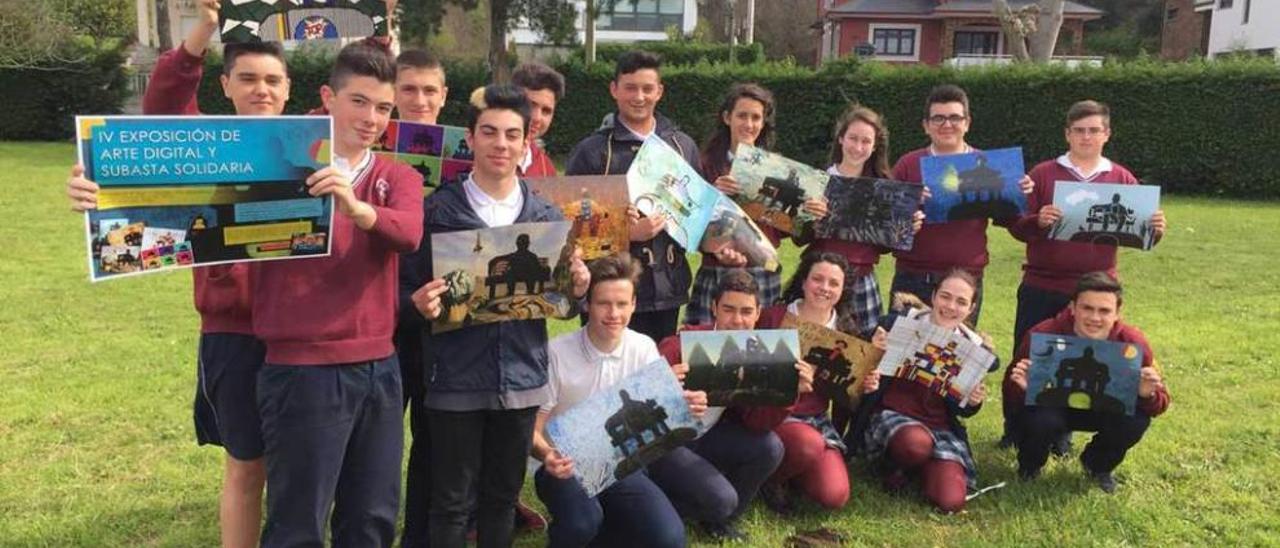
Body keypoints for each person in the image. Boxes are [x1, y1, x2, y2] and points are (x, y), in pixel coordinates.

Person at [65, 1, 288, 544]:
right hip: (233, 335)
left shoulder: (311, 151)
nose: (262, 89)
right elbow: (163, 101)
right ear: (226, 85)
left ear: (288, 89)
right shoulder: (199, 145)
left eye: (273, 80)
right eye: (249, 79)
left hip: (303, 335)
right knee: (246, 464)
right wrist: (205, 26)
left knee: (303, 466)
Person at [249, 41, 424, 546]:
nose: (371, 118)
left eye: (384, 107)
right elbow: (179, 197)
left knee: (372, 518)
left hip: (379, 367)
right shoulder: (276, 168)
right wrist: (103, 194)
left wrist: (355, 206)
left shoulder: (397, 176)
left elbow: (408, 233)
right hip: (302, 368)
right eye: (359, 101)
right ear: (328, 97)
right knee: (298, 520)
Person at [401, 84, 590, 548]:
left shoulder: (545, 215)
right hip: (454, 380)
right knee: (450, 502)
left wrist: (578, 288)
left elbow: (562, 304)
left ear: (527, 143)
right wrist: (416, 303)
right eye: (489, 132)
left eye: (512, 134)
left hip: (522, 377)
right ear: (470, 138)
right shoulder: (437, 211)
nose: (500, 144)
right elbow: (404, 287)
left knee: (501, 499)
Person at [1001, 100, 1168, 450]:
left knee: (1083, 362)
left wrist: (1156, 228)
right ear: (1067, 134)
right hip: (1042, 283)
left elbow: (1141, 232)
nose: (1086, 137)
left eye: (1094, 130)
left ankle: (1061, 433)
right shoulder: (1044, 173)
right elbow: (1016, 224)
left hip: (1095, 293)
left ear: (1106, 134)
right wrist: (1037, 221)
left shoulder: (1121, 177)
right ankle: (1017, 428)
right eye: (1079, 130)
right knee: (1028, 358)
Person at [531, 253, 700, 548]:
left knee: (670, 539)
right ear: (587, 304)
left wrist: (682, 404)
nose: (614, 313)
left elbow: (657, 414)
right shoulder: (556, 353)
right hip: (565, 467)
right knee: (582, 524)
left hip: (621, 464)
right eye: (604, 303)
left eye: (622, 304)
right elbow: (531, 429)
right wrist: (548, 455)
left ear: (634, 304)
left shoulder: (643, 346)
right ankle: (569, 532)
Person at [648, 269, 802, 541]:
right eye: (729, 309)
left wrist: (788, 393)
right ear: (714, 308)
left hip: (709, 436)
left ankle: (721, 521)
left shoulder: (758, 352)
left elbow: (757, 423)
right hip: (668, 443)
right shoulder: (680, 345)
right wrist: (666, 385)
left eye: (746, 312)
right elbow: (644, 405)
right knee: (721, 499)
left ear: (758, 314)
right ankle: (666, 504)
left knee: (771, 447)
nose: (737, 320)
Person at [565, 50, 700, 343]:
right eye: (630, 87)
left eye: (647, 88)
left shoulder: (683, 146)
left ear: (660, 92)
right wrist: (625, 233)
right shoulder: (592, 151)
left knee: (655, 376)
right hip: (608, 289)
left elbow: (696, 211)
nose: (639, 96)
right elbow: (571, 227)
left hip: (667, 289)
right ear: (614, 90)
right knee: (606, 380)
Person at [849, 269, 997, 513]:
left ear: (970, 309)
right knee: (914, 444)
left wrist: (973, 401)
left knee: (951, 501)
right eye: (945, 297)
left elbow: (965, 409)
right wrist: (873, 350)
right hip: (894, 416)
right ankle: (893, 464)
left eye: (961, 302)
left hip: (940, 426)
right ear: (933, 296)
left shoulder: (972, 348)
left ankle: (919, 470)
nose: (951, 306)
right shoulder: (898, 324)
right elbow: (857, 370)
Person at [1005, 272, 1169, 493]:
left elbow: (1161, 402)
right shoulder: (1042, 334)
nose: (1094, 318)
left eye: (1104, 311)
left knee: (1136, 420)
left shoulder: (1132, 343)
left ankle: (1097, 465)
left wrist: (1146, 395)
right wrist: (1024, 389)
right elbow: (1010, 391)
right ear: (1073, 307)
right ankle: (1030, 465)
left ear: (1117, 313)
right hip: (1054, 408)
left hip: (1107, 410)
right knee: (1037, 417)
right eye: (1087, 308)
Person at [685, 84, 828, 327]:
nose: (748, 124)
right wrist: (713, 197)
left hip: (763, 271)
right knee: (705, 351)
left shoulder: (781, 171)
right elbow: (688, 224)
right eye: (742, 115)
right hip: (717, 270)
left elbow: (798, 235)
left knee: (759, 353)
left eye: (756, 117)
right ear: (727, 117)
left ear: (763, 123)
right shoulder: (705, 164)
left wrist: (812, 215)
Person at [888, 85, 1032, 325]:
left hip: (965, 281)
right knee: (902, 353)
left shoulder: (989, 164)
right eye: (938, 118)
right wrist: (909, 206)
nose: (947, 125)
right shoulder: (908, 164)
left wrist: (1019, 193)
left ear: (967, 122)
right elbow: (888, 227)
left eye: (955, 117)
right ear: (926, 125)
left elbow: (1013, 222)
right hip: (913, 276)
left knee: (956, 357)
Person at [795, 105, 924, 336]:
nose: (858, 147)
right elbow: (798, 237)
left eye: (866, 141)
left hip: (862, 280)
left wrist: (906, 226)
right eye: (853, 138)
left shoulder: (885, 187)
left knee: (865, 350)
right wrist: (808, 217)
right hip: (820, 280)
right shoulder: (817, 180)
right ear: (841, 139)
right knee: (811, 341)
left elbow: (884, 246)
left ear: (875, 147)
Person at [753, 251, 860, 513]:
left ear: (843, 289)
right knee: (806, 443)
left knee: (834, 495)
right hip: (773, 414)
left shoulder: (845, 331)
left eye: (833, 283)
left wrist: (863, 387)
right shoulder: (772, 317)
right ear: (804, 281)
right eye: (817, 279)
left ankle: (792, 469)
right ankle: (768, 480)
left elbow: (846, 398)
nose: (824, 288)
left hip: (816, 419)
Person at [511, 61, 564, 177]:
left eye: (546, 111)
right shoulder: (479, 157)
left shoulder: (546, 169)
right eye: (529, 105)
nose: (537, 118)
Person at [393, 49, 449, 125]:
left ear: (443, 96)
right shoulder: (373, 136)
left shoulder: (464, 136)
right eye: (409, 90)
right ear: (393, 94)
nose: (419, 102)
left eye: (430, 91)